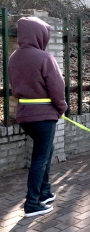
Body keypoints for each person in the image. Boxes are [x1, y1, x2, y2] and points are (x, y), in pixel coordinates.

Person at [8, 17, 67, 217]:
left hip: (24, 115)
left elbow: (14, 87)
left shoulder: (14, 57)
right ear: (39, 34)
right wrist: (61, 108)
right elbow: (57, 88)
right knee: (40, 158)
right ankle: (32, 204)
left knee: (46, 151)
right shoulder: (44, 58)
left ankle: (45, 192)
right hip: (44, 116)